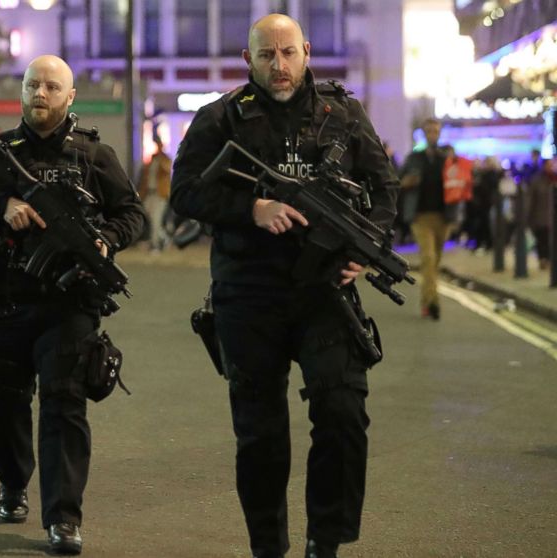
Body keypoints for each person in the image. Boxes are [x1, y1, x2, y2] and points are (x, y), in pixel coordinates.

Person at [169, 14, 397, 558]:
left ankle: (326, 540)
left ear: (307, 51)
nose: (280, 65)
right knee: (262, 435)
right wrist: (252, 207)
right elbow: (186, 193)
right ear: (248, 60)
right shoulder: (220, 118)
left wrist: (363, 252)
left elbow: (383, 188)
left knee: (343, 413)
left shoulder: (342, 112)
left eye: (288, 53)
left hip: (325, 294)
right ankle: (268, 547)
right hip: (249, 294)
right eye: (267, 55)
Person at [0, 54, 145, 555]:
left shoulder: (94, 157)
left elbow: (133, 214)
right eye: (33, 85)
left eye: (52, 87)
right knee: (3, 406)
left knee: (64, 403)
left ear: (69, 96)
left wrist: (106, 239)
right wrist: (0, 207)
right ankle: (14, 484)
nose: (40, 94)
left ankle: (64, 517)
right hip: (3, 300)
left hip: (69, 303)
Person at [400, 118, 452, 320]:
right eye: (429, 130)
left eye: (436, 131)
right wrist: (408, 182)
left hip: (442, 216)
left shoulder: (446, 159)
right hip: (420, 216)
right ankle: (433, 303)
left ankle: (426, 300)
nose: (433, 134)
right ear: (424, 133)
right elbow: (398, 181)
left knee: (435, 261)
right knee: (428, 257)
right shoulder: (414, 158)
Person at [137, 136, 172, 252]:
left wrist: (161, 156)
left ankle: (155, 245)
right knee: (149, 217)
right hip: (150, 193)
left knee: (156, 219)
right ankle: (164, 238)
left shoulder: (165, 158)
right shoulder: (152, 158)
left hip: (160, 194)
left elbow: (166, 169)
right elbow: (146, 178)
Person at [527, 158, 555, 270]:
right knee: (542, 240)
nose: (551, 167)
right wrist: (529, 217)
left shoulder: (553, 179)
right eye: (548, 165)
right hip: (541, 217)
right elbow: (531, 200)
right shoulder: (537, 181)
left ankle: (549, 260)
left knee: (551, 241)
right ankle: (543, 260)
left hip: (552, 217)